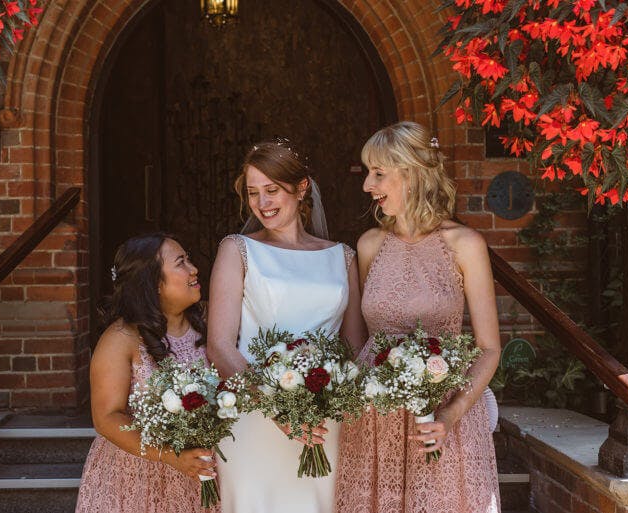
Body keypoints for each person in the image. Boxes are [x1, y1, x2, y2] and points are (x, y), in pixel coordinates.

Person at [335, 122, 501, 513]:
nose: (367, 186)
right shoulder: (369, 245)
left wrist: (450, 414)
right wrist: (372, 395)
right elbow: (357, 340)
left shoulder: (465, 245)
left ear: (411, 173)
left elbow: (489, 348)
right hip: (375, 425)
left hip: (446, 421)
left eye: (378, 173)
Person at [206, 140, 366, 513]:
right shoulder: (237, 249)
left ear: (302, 188)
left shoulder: (342, 257)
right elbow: (220, 347)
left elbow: (355, 350)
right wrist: (278, 409)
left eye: (272, 190)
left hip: (321, 422)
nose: (262, 204)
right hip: (253, 418)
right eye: (253, 193)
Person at [76, 232, 217, 513]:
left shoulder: (212, 322)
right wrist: (169, 455)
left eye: (188, 259)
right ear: (153, 284)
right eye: (181, 263)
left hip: (200, 471)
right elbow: (106, 418)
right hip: (135, 476)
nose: (194, 269)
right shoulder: (120, 338)